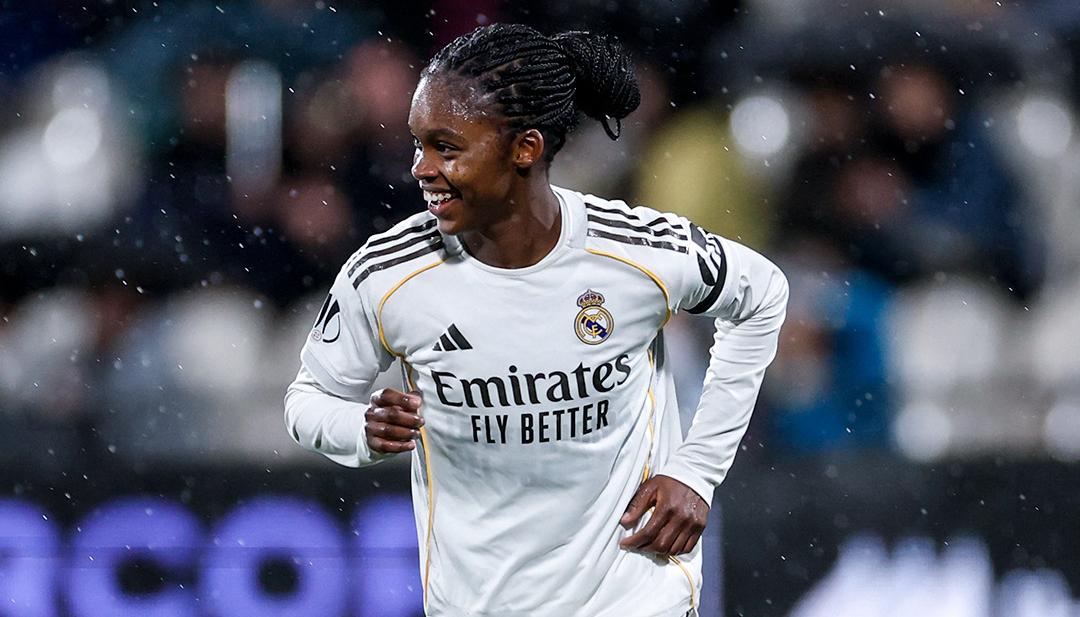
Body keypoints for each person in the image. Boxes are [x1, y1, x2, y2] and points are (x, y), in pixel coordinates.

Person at [284, 24, 788, 617]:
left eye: (446, 147)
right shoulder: (388, 274)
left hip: (632, 599)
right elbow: (307, 401)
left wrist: (698, 470)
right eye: (417, 145)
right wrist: (359, 428)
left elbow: (763, 295)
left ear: (524, 149)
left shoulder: (632, 251)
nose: (421, 168)